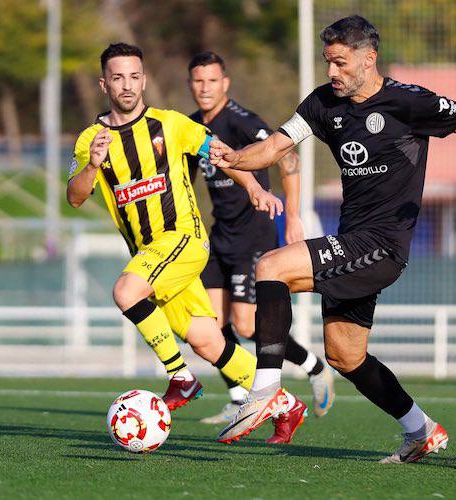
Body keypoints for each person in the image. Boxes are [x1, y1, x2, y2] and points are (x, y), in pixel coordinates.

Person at [208, 16, 456, 462]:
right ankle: (421, 429)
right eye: (328, 62)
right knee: (345, 356)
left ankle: (266, 389)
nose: (332, 72)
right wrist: (236, 157)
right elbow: (275, 146)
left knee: (272, 266)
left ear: (369, 59)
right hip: (354, 240)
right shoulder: (322, 103)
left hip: (383, 244)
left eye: (340, 63)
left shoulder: (410, 102)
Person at [66, 43, 299, 419]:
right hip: (150, 256)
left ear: (143, 81)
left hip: (183, 240)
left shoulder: (170, 124)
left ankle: (180, 377)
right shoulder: (90, 139)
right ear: (103, 84)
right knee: (207, 341)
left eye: (134, 77)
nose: (127, 85)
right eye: (118, 77)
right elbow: (75, 197)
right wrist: (92, 165)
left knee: (126, 291)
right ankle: (286, 404)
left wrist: (255, 187)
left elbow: (220, 154)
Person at [186, 51, 335, 439]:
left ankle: (315, 367)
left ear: (225, 83)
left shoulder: (241, 121)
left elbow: (287, 159)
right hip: (219, 235)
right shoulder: (191, 127)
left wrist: (294, 217)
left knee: (249, 324)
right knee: (211, 326)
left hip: (255, 231)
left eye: (212, 81)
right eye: (198, 81)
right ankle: (238, 396)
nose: (205, 89)